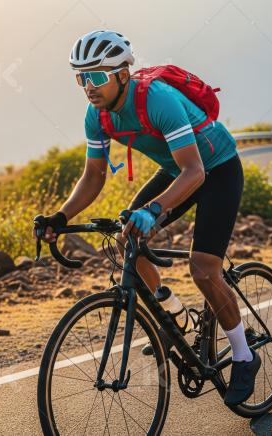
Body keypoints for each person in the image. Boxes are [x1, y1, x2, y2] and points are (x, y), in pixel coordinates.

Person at [34, 30, 260, 406]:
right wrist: (61, 216)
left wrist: (154, 209)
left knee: (203, 268)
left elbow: (196, 173)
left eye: (96, 76)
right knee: (127, 241)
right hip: (177, 171)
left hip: (215, 170)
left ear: (122, 73)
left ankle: (243, 353)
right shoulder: (98, 115)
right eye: (81, 77)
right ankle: (174, 313)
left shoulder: (158, 99)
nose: (88, 86)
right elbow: (93, 176)